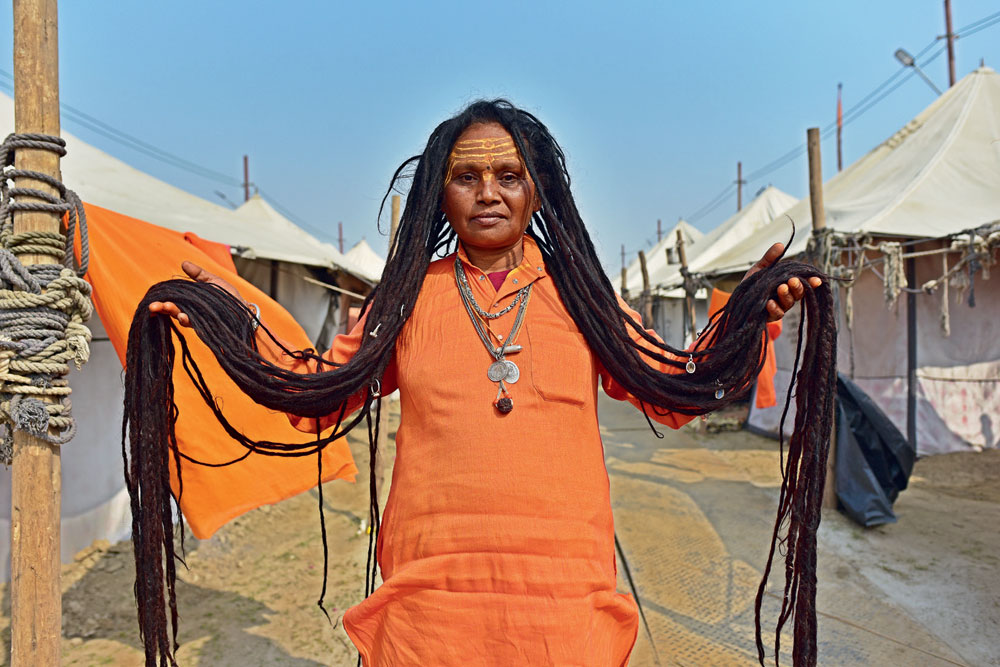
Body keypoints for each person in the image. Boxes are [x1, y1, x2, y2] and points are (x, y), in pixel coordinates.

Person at [149, 100, 819, 666]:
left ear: (538, 190)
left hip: (564, 605)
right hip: (431, 606)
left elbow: (672, 385)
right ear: (440, 193)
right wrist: (232, 319)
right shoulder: (404, 298)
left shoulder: (584, 298)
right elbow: (317, 390)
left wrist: (745, 317)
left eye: (508, 174)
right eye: (466, 176)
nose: (488, 191)